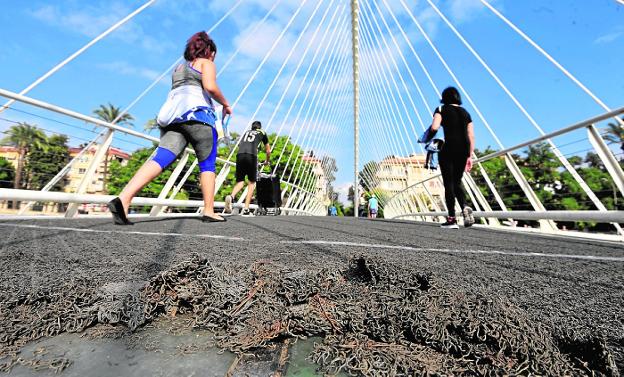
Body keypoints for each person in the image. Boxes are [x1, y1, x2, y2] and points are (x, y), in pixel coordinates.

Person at [107, 31, 232, 225]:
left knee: (160, 158)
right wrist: (225, 104)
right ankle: (208, 210)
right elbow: (210, 87)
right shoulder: (207, 63)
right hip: (199, 117)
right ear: (209, 51)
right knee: (207, 163)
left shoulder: (178, 68)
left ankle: (123, 199)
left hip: (173, 119)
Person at [430, 86, 475, 229]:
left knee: (448, 183)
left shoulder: (441, 109)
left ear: (444, 98)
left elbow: (434, 127)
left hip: (448, 147)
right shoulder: (466, 113)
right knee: (457, 181)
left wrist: (428, 139)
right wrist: (470, 156)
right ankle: (465, 206)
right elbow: (471, 136)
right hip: (463, 150)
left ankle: (451, 218)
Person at [223, 121, 270, 216]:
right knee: (252, 183)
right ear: (260, 127)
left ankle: (231, 196)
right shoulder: (262, 132)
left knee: (240, 181)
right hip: (251, 156)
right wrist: (267, 161)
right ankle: (246, 208)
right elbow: (268, 151)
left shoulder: (246, 132)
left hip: (240, 155)